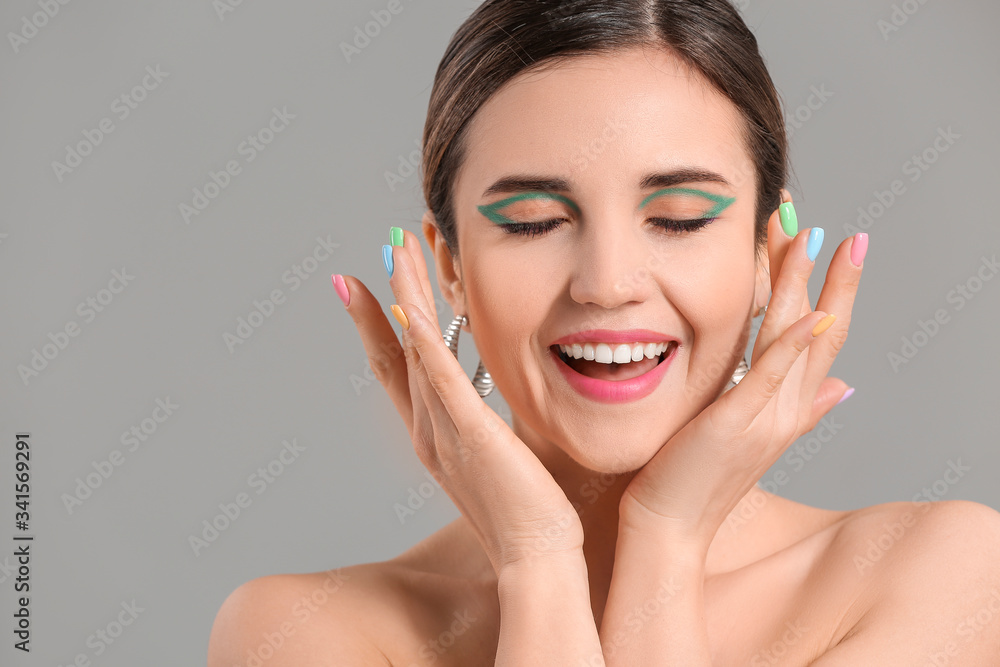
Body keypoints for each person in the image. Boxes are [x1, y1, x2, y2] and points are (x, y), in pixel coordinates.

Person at [208, 1, 1000, 664]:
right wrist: (537, 563)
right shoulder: (303, 632)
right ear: (449, 264)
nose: (608, 282)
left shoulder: (943, 575)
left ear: (769, 251)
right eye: (534, 221)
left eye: (679, 218)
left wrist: (666, 539)